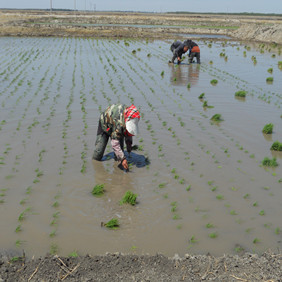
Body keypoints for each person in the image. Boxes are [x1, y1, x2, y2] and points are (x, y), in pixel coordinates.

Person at [92, 104, 140, 171]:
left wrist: (129, 144)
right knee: (98, 152)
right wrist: (123, 159)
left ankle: (117, 172)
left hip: (116, 126)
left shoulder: (130, 118)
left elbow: (129, 132)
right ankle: (94, 166)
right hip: (105, 124)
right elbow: (114, 143)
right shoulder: (120, 123)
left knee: (119, 155)